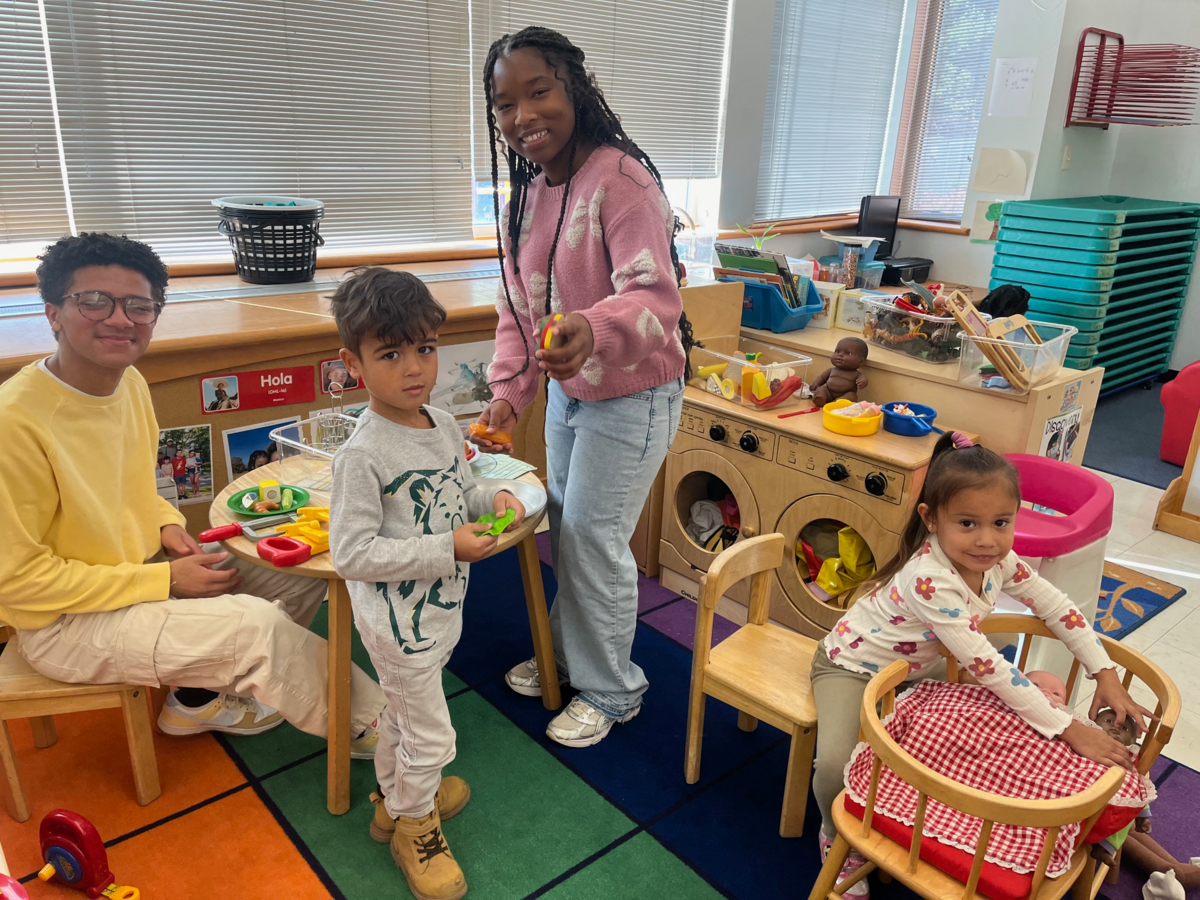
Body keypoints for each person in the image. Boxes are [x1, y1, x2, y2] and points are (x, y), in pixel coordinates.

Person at [0, 232, 385, 751]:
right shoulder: (15, 423)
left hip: (139, 570)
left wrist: (165, 524)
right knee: (254, 627)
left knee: (291, 555)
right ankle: (390, 737)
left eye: (139, 306)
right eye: (94, 301)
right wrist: (161, 581)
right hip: (63, 624)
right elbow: (17, 584)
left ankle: (197, 700)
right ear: (53, 313)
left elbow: (136, 484)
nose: (120, 319)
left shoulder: (128, 383)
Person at [470, 26, 694, 748]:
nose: (523, 115)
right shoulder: (530, 195)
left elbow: (657, 300)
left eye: (539, 91)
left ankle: (612, 687)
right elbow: (520, 307)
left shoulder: (621, 180)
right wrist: (507, 393)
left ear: (574, 88)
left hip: (634, 393)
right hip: (574, 394)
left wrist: (591, 331)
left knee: (594, 539)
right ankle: (568, 653)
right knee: (564, 526)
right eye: (506, 103)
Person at [811, 431, 1153, 898]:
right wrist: (1070, 729)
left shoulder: (1000, 560)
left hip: (917, 666)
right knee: (833, 764)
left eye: (1001, 522)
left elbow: (1057, 607)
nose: (988, 540)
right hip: (851, 666)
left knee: (983, 729)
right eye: (968, 524)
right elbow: (990, 666)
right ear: (931, 520)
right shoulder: (930, 580)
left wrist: (1106, 674)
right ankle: (835, 836)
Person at [327, 267, 525, 900]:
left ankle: (395, 800)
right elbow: (351, 552)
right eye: (390, 354)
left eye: (424, 349)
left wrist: (493, 495)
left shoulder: (440, 423)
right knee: (432, 729)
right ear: (352, 363)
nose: (413, 368)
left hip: (437, 614)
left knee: (406, 718)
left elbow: (460, 491)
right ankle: (417, 825)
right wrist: (447, 547)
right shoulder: (361, 454)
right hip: (395, 624)